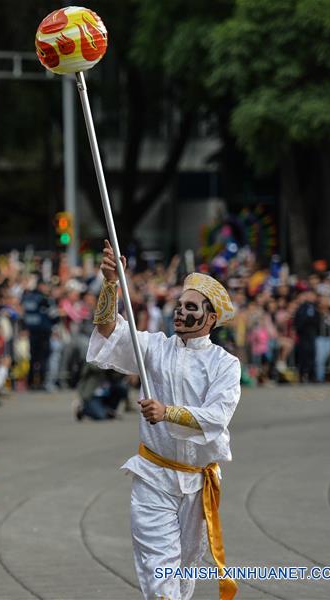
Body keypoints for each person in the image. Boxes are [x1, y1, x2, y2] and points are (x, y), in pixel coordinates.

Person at [87, 240, 240, 600]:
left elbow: (217, 417)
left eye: (191, 307)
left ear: (211, 319)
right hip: (153, 477)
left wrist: (166, 412)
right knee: (159, 576)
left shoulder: (225, 365)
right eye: (179, 305)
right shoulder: (154, 347)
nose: (180, 312)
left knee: (183, 577)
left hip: (197, 485)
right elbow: (109, 331)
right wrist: (111, 283)